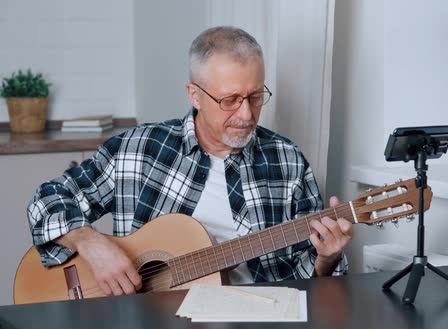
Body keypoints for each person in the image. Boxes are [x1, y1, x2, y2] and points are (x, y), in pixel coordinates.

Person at [27, 26, 353, 297]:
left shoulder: (288, 161)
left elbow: (308, 283)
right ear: (194, 95)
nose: (246, 114)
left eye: (255, 96)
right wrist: (90, 242)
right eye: (230, 100)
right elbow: (46, 200)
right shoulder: (137, 149)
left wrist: (327, 257)